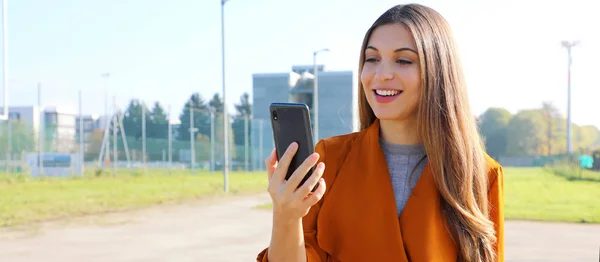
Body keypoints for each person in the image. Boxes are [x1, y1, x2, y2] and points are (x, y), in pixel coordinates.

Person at [257, 3, 504, 262]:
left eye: (403, 60)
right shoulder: (328, 160)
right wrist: (285, 216)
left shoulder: (481, 174)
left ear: (438, 72)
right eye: (372, 59)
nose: (381, 74)